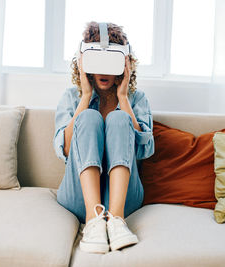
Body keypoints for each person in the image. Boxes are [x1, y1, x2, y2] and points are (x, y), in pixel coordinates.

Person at [53, 21, 154, 254]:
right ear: (85, 64)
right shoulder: (72, 98)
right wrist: (86, 97)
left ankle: (116, 220)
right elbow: (66, 150)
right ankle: (93, 221)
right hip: (78, 196)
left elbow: (144, 151)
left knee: (120, 120)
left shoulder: (137, 100)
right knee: (88, 117)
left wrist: (123, 98)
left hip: (125, 197)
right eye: (98, 62)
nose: (105, 72)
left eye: (112, 63)